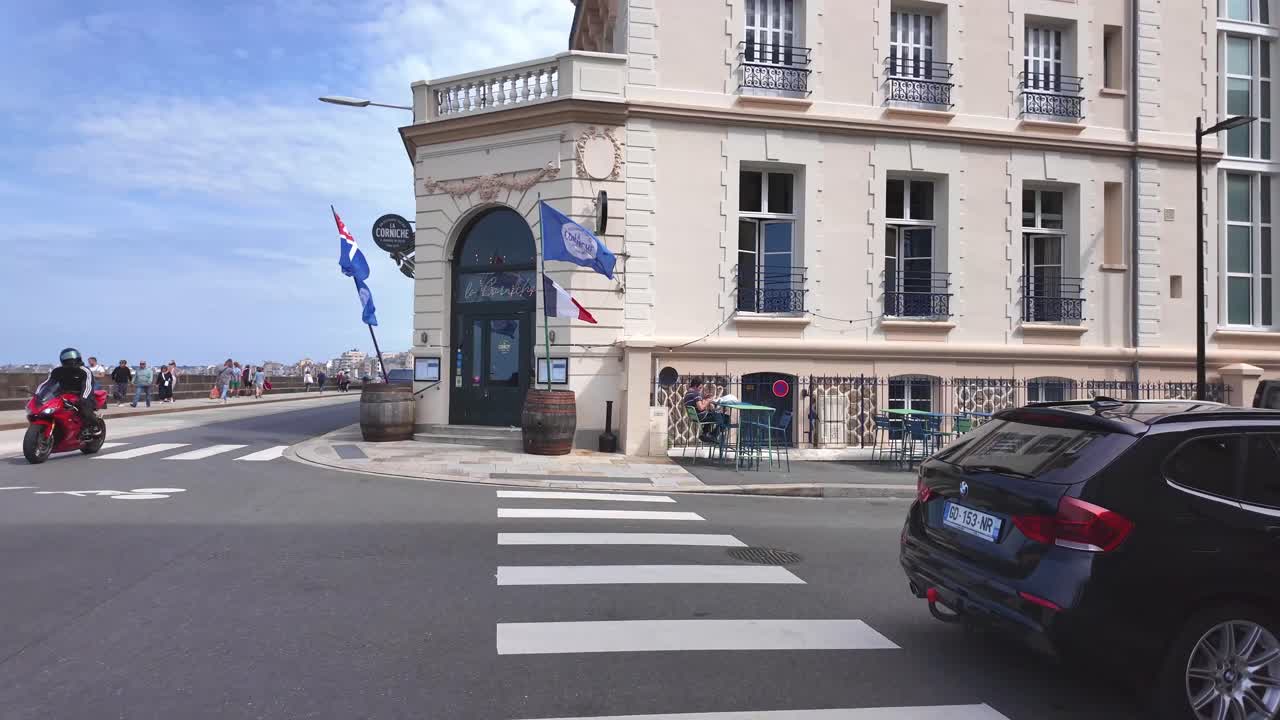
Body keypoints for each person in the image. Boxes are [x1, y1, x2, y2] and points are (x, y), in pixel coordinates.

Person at [35, 348, 100, 440]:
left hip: (80, 394)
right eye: (67, 358)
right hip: (63, 395)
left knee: (85, 409)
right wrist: (38, 395)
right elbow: (47, 384)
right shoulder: (57, 371)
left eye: (72, 357)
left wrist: (84, 398)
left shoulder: (84, 370)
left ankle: (94, 426)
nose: (70, 360)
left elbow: (88, 386)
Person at [683, 379, 727, 443]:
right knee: (725, 418)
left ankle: (705, 434)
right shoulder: (695, 394)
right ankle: (712, 436)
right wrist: (708, 401)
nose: (700, 389)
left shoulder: (688, 394)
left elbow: (698, 405)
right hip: (702, 416)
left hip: (696, 417)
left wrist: (705, 399)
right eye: (700, 387)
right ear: (695, 386)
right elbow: (701, 408)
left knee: (714, 413)